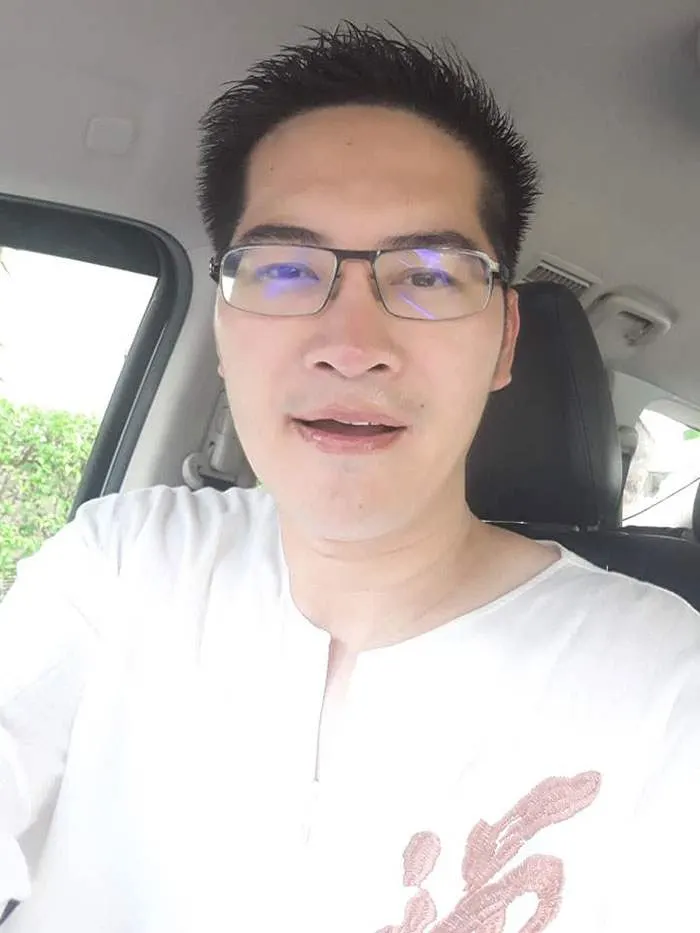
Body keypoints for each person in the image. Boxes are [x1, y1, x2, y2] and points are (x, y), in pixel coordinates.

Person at [1, 23, 699, 933]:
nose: (352, 346)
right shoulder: (122, 562)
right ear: (222, 331)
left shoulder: (665, 685)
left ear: (504, 344)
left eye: (431, 276)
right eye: (286, 269)